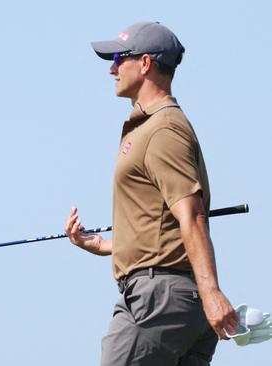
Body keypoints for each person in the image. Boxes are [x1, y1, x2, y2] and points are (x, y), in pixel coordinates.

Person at [64, 22, 239, 365]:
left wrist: (212, 292)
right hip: (172, 301)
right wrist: (104, 245)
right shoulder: (150, 127)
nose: (112, 68)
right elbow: (165, 226)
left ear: (145, 64)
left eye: (118, 58)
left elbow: (191, 215)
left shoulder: (163, 129)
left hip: (158, 300)